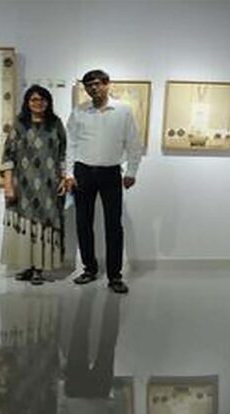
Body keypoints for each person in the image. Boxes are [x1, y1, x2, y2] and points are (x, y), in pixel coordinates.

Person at [62, 69, 142, 294]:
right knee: (83, 222)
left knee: (113, 225)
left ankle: (115, 276)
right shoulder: (79, 111)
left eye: (97, 83)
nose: (93, 88)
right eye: (89, 85)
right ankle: (89, 269)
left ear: (107, 84)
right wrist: (69, 174)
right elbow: (71, 144)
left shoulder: (123, 111)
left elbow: (133, 143)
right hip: (83, 173)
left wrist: (131, 171)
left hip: (111, 173)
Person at [0, 85, 66, 285]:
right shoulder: (19, 125)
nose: (38, 103)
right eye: (34, 99)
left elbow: (64, 154)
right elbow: (8, 156)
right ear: (27, 102)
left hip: (49, 186)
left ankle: (39, 268)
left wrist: (65, 178)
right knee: (26, 226)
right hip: (23, 185)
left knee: (45, 225)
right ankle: (28, 266)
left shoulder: (55, 124)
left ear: (48, 102)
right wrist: (8, 185)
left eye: (42, 99)